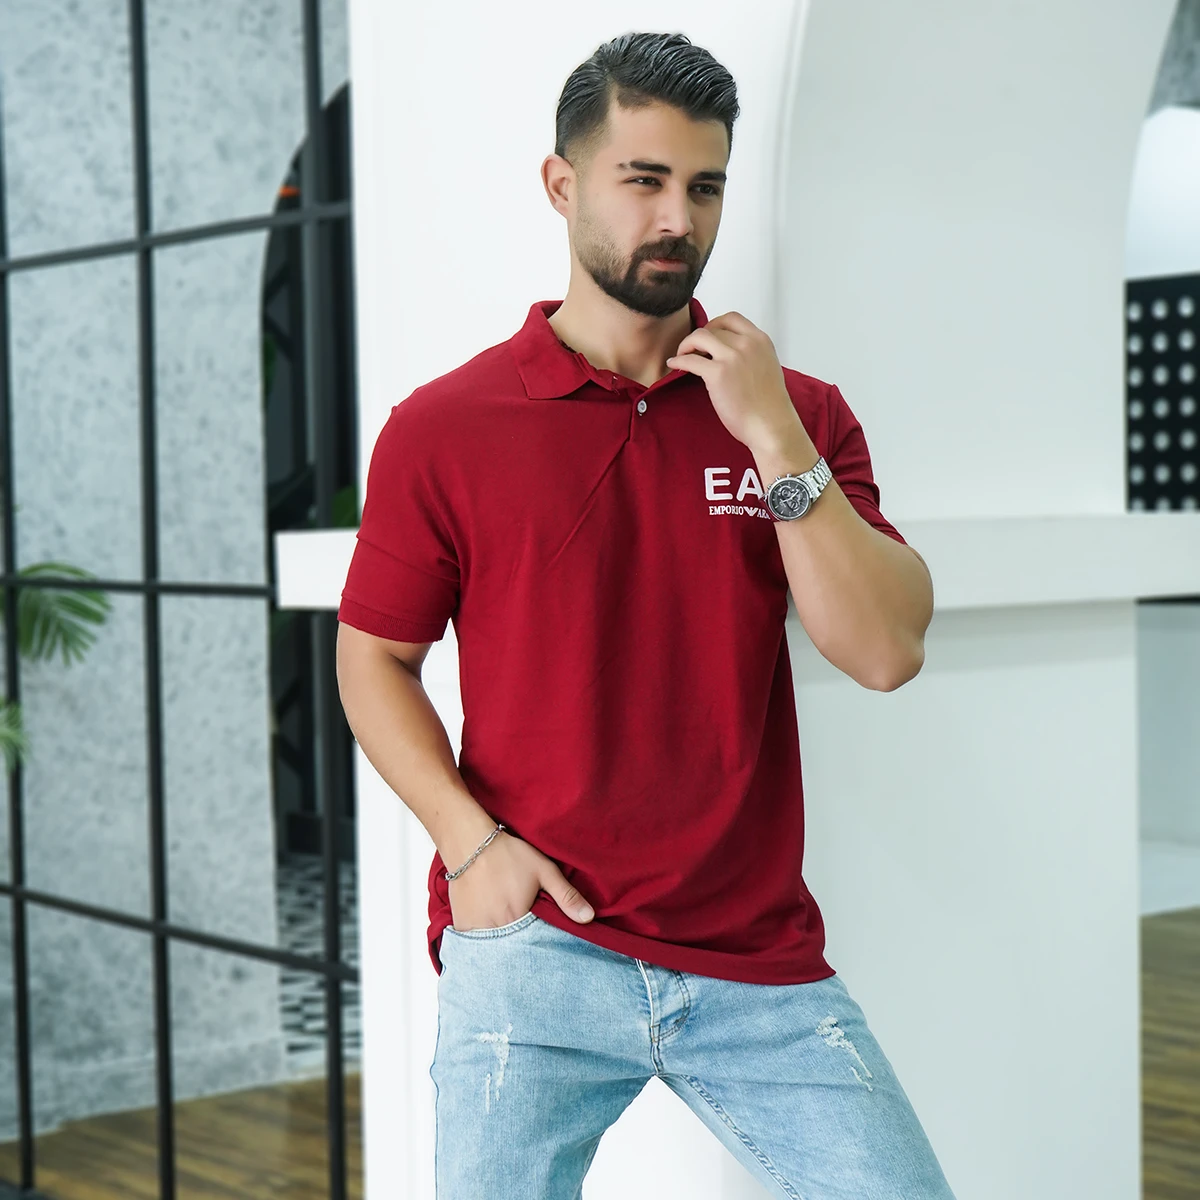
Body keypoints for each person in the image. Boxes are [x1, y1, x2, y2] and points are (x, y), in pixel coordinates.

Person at [335, 29, 954, 1200]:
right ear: (561, 184)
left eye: (705, 186)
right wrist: (473, 849)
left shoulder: (798, 414)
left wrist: (771, 433)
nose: (679, 218)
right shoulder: (443, 428)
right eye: (644, 180)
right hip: (535, 950)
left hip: (755, 962)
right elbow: (373, 658)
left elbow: (883, 650)